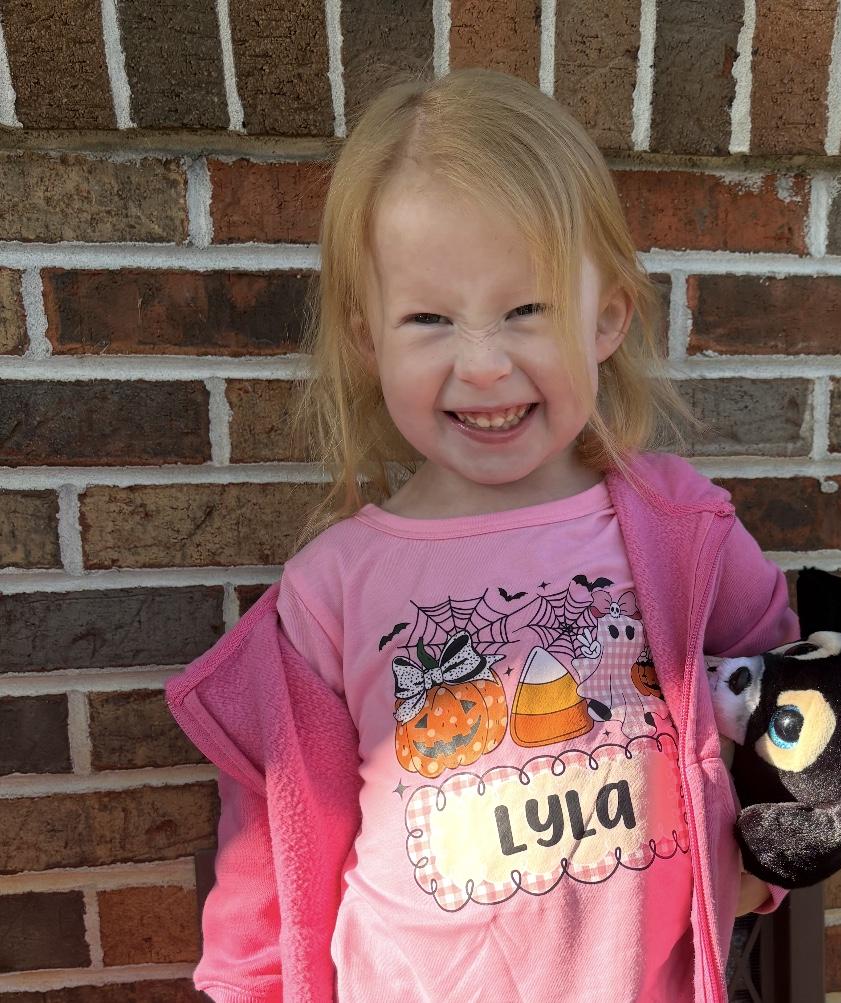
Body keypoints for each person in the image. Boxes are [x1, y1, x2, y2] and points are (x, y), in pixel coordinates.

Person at [166, 67, 799, 1003]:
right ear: (368, 338)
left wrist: (765, 860)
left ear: (607, 316)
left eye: (526, 309)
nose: (484, 362)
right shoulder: (332, 588)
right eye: (428, 318)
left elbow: (798, 707)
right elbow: (269, 854)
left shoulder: (677, 530)